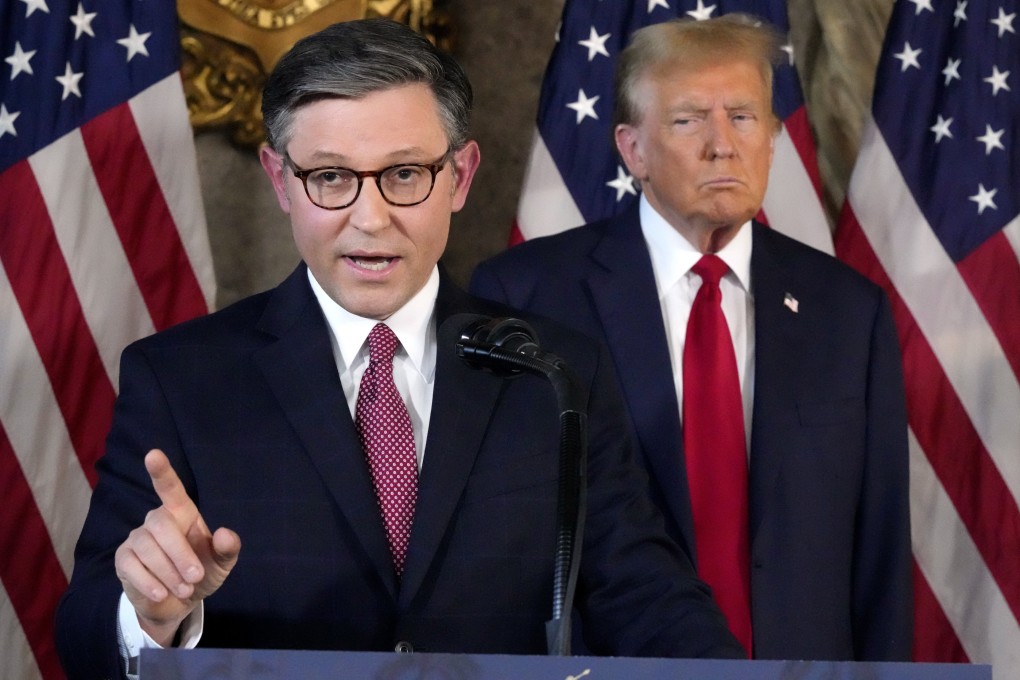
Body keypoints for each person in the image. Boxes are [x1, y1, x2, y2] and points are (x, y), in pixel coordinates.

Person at [53, 18, 744, 679]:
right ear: (279, 179)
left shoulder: (555, 374)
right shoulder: (180, 380)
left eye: (405, 173)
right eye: (330, 177)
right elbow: (85, 638)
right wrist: (149, 617)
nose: (371, 216)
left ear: (460, 176)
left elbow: (646, 595)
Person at [471, 15, 912, 661]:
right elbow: (502, 543)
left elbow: (879, 550)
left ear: (770, 139)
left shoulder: (848, 311)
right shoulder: (529, 298)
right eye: (687, 120)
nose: (721, 144)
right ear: (632, 149)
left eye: (743, 116)